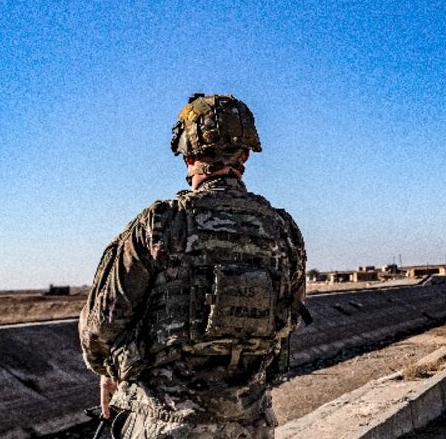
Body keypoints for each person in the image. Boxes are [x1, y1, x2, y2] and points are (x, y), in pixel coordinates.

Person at [79, 94, 307, 439]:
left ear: (188, 156)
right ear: (245, 156)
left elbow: (100, 327)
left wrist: (111, 371)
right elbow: (287, 322)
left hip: (164, 424)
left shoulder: (160, 225)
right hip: (251, 426)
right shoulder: (283, 231)